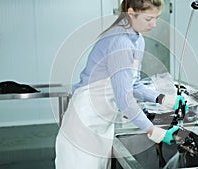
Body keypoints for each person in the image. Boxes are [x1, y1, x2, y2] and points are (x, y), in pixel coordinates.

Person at [55, 0, 185, 168]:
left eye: (156, 18)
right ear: (131, 13)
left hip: (102, 122)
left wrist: (165, 99)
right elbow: (124, 101)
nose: (153, 24)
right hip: (85, 121)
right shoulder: (120, 42)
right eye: (148, 19)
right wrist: (156, 132)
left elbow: (134, 84)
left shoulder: (137, 39)